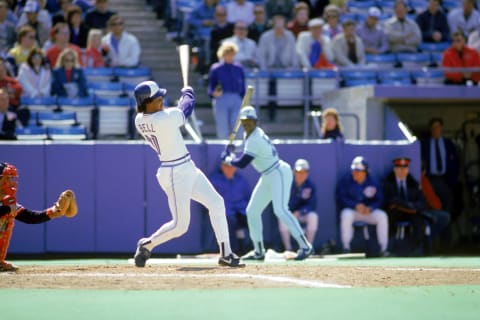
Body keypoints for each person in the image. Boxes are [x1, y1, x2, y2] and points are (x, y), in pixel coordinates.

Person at [132, 80, 244, 268]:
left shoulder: (140, 120)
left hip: (186, 167)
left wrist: (184, 98)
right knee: (180, 226)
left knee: (216, 203)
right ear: (147, 102)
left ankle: (226, 253)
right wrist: (188, 94)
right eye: (158, 97)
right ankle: (146, 244)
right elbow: (186, 108)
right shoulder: (163, 119)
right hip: (175, 173)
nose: (161, 99)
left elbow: (177, 111)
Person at [222, 106, 314, 261]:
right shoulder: (250, 135)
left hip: (278, 172)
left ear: (256, 122)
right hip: (267, 175)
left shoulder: (255, 138)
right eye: (245, 122)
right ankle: (259, 251)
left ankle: (305, 246)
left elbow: (243, 162)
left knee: (281, 210)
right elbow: (246, 150)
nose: (247, 124)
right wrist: (234, 149)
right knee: (252, 211)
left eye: (250, 122)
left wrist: (228, 158)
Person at [0, 162, 78, 271]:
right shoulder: (7, 206)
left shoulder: (7, 201)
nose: (10, 182)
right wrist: (7, 209)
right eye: (6, 178)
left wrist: (53, 211)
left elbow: (31, 217)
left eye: (11, 178)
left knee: (8, 217)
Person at [337, 156, 389, 256]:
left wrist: (371, 207)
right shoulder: (346, 181)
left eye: (358, 171)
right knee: (345, 214)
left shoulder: (373, 183)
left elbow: (379, 199)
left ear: (365, 172)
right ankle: (346, 247)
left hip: (368, 212)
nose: (354, 173)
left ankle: (383, 249)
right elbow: (341, 197)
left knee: (382, 216)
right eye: (354, 170)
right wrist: (355, 205)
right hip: (354, 212)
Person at [383, 157, 431, 254]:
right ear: (394, 169)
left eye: (404, 168)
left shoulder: (413, 183)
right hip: (394, 213)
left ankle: (415, 249)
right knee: (388, 218)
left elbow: (422, 202)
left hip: (410, 212)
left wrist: (409, 206)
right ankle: (389, 249)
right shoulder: (388, 183)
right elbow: (389, 200)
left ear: (407, 170)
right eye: (399, 168)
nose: (402, 171)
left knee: (419, 221)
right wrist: (406, 205)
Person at [209, 160, 251, 256]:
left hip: (241, 210)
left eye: (232, 166)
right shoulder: (215, 179)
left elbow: (248, 197)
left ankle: (249, 248)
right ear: (222, 166)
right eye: (227, 166)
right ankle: (231, 251)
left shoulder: (241, 180)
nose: (230, 168)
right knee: (230, 221)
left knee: (249, 219)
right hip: (226, 212)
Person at [421, 117, 460, 218]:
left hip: (445, 180)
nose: (435, 130)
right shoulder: (425, 144)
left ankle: (446, 230)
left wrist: (453, 180)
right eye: (433, 128)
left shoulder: (448, 144)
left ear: (441, 128)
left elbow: (455, 163)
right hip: (429, 179)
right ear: (430, 129)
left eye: (437, 127)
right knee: (429, 205)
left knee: (447, 206)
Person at [207, 41, 246, 139]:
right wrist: (214, 93)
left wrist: (244, 100)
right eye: (227, 54)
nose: (229, 56)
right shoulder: (216, 68)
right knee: (222, 127)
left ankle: (237, 150)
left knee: (237, 127)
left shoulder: (239, 68)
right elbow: (211, 86)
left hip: (236, 98)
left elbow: (243, 87)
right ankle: (223, 151)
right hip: (221, 99)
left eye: (231, 54)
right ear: (222, 54)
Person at [279, 158, 318, 252]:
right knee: (281, 217)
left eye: (304, 172)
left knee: (313, 216)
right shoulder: (287, 183)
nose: (301, 174)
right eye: (298, 172)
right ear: (294, 172)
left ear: (307, 173)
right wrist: (289, 213)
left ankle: (308, 248)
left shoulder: (310, 185)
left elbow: (312, 204)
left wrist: (300, 212)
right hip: (288, 214)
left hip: (301, 214)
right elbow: (280, 201)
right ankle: (288, 248)